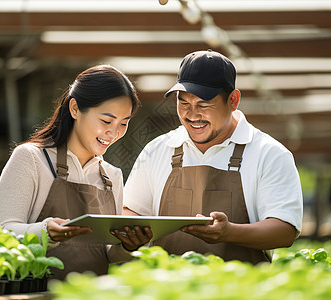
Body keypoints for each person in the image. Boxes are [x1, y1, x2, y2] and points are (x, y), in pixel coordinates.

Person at [123, 50, 303, 264]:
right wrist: (130, 232)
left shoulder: (269, 153)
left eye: (203, 104)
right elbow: (131, 210)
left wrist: (229, 233)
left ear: (233, 100)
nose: (192, 115)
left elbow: (285, 230)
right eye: (184, 104)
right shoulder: (158, 150)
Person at [0, 65, 152, 280]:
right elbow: (3, 232)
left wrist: (127, 246)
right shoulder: (31, 158)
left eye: (123, 123)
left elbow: (107, 252)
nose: (114, 132)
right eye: (106, 121)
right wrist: (45, 231)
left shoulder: (112, 176)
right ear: (75, 109)